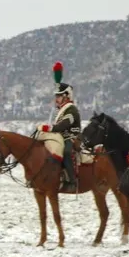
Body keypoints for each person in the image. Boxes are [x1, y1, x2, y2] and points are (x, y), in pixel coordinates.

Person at [39, 62, 81, 191]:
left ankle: (73, 181)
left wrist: (51, 129)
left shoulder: (71, 109)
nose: (56, 99)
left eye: (59, 96)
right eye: (56, 96)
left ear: (66, 96)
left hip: (71, 137)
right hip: (60, 137)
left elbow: (65, 125)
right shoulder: (61, 110)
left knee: (66, 152)